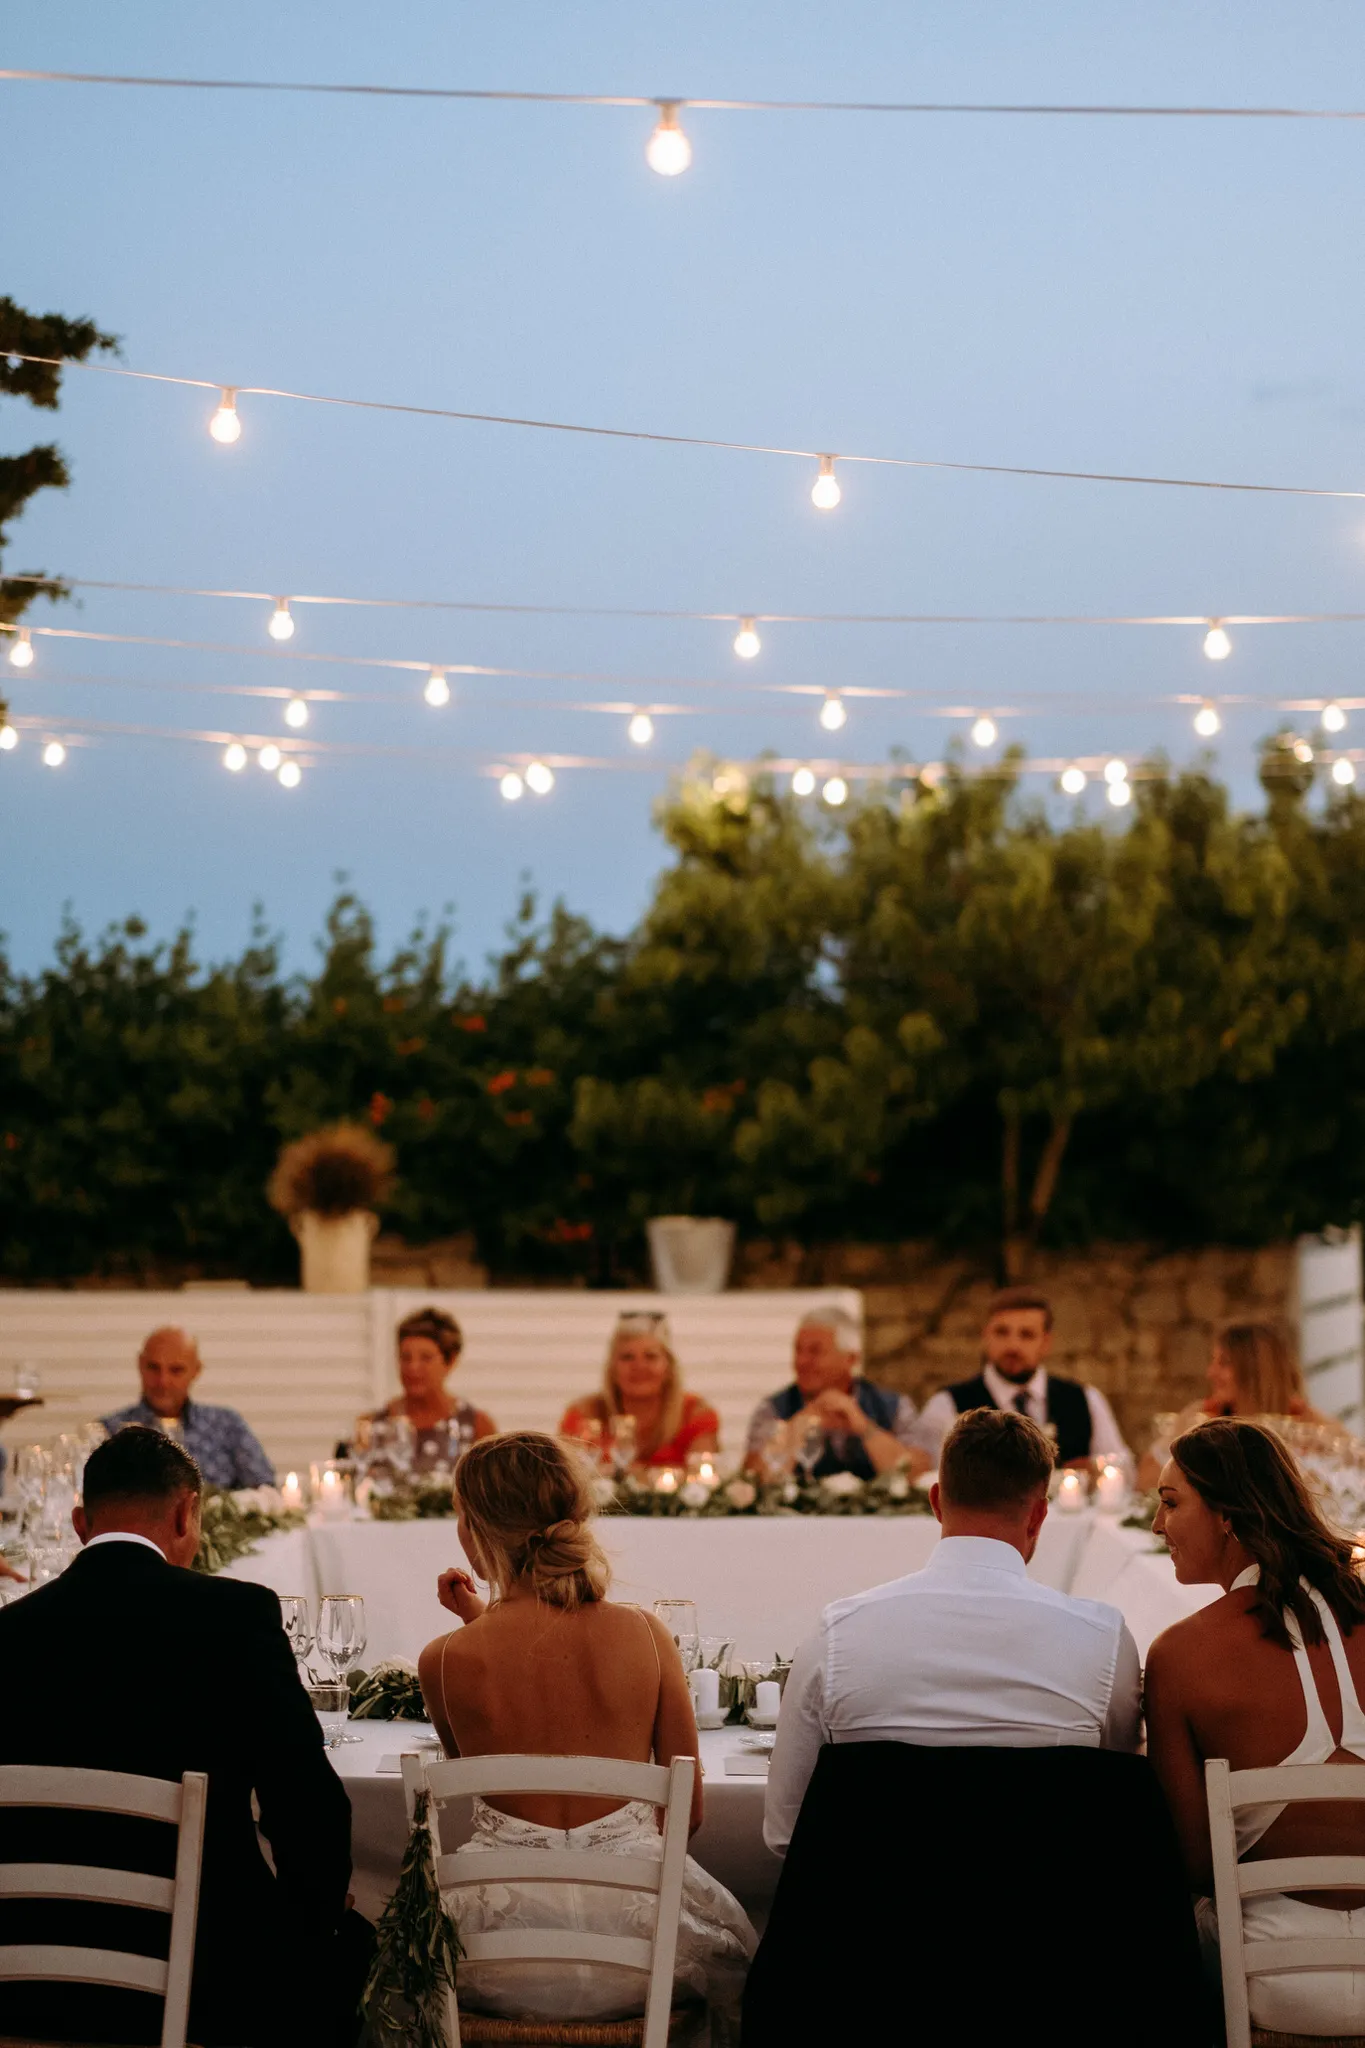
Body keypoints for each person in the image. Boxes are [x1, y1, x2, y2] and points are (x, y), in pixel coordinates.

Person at [0, 1426, 366, 2047]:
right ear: (185, 1513)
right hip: (204, 1980)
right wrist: (311, 1927)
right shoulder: (237, 1616)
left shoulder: (9, 1633)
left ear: (82, 1522)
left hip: (24, 1979)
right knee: (351, 1950)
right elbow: (309, 1810)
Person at [417, 1430, 756, 2027]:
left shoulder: (443, 1661)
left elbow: (489, 1751)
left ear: (476, 1531)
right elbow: (688, 1815)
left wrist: (477, 1623)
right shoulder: (646, 1636)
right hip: (647, 1962)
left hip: (496, 1963)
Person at [764, 1406, 1141, 1856]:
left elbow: (787, 1833)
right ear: (1038, 1516)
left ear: (937, 1501)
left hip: (868, 1920)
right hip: (1050, 1921)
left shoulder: (839, 1635)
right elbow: (1115, 1804)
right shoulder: (1102, 1641)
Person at [1145, 1417, 1365, 2038]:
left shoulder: (1182, 1655)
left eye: (1170, 1503)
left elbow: (1190, 1862)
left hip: (1275, 1978)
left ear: (1227, 1515)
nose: (1158, 1525)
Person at [915, 1285, 1130, 1469]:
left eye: (1026, 1335)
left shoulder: (1085, 1399)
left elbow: (1122, 1466)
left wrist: (1097, 1470)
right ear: (986, 1336)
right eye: (1002, 1332)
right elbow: (925, 1476)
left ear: (1045, 1343)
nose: (1013, 1346)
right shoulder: (947, 1405)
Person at [743, 1305, 928, 1481]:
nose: (801, 1361)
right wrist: (800, 1423)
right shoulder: (773, 1409)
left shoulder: (895, 1406)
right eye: (798, 1350)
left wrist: (864, 1427)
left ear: (850, 1359)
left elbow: (918, 1475)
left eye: (815, 1351)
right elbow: (754, 1481)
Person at [1137, 1321, 1329, 1490]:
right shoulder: (1204, 1420)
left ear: (1256, 1370)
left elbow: (1351, 1476)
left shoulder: (1306, 1423)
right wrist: (1178, 1433)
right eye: (1213, 1362)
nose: (1210, 1373)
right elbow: (1144, 1483)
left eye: (1224, 1363)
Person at [102, 1324, 275, 1488]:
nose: (163, 1381)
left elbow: (265, 1489)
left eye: (176, 1370)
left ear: (196, 1370)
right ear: (140, 1364)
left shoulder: (226, 1425)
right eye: (154, 1367)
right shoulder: (110, 1431)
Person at [559, 1311, 719, 1469]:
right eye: (627, 1357)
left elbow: (703, 1476)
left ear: (669, 1368)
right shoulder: (583, 1415)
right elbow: (568, 1476)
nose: (639, 1366)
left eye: (650, 1356)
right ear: (612, 1369)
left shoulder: (695, 1414)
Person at [354, 1305, 496, 1472]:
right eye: (405, 1357)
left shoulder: (476, 1426)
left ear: (450, 1361)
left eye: (426, 1358)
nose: (413, 1367)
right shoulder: (371, 1425)